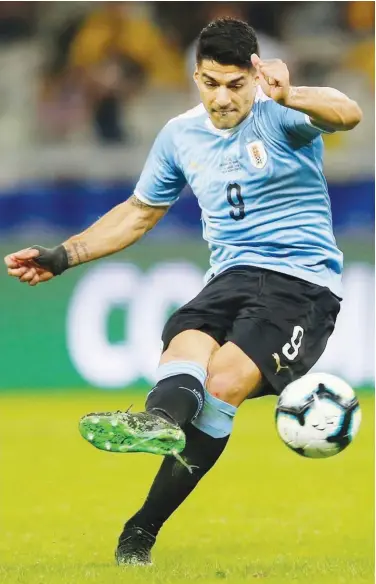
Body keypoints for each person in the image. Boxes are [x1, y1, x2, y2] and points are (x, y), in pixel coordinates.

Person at [4, 17, 362, 567]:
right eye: (209, 82)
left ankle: (140, 530)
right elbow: (137, 214)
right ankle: (161, 422)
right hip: (230, 278)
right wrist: (63, 255)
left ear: (255, 74)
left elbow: (348, 113)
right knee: (186, 344)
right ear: (195, 76)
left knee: (221, 384)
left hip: (301, 284)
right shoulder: (179, 134)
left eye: (234, 84)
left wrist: (293, 93)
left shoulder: (284, 113)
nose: (221, 98)